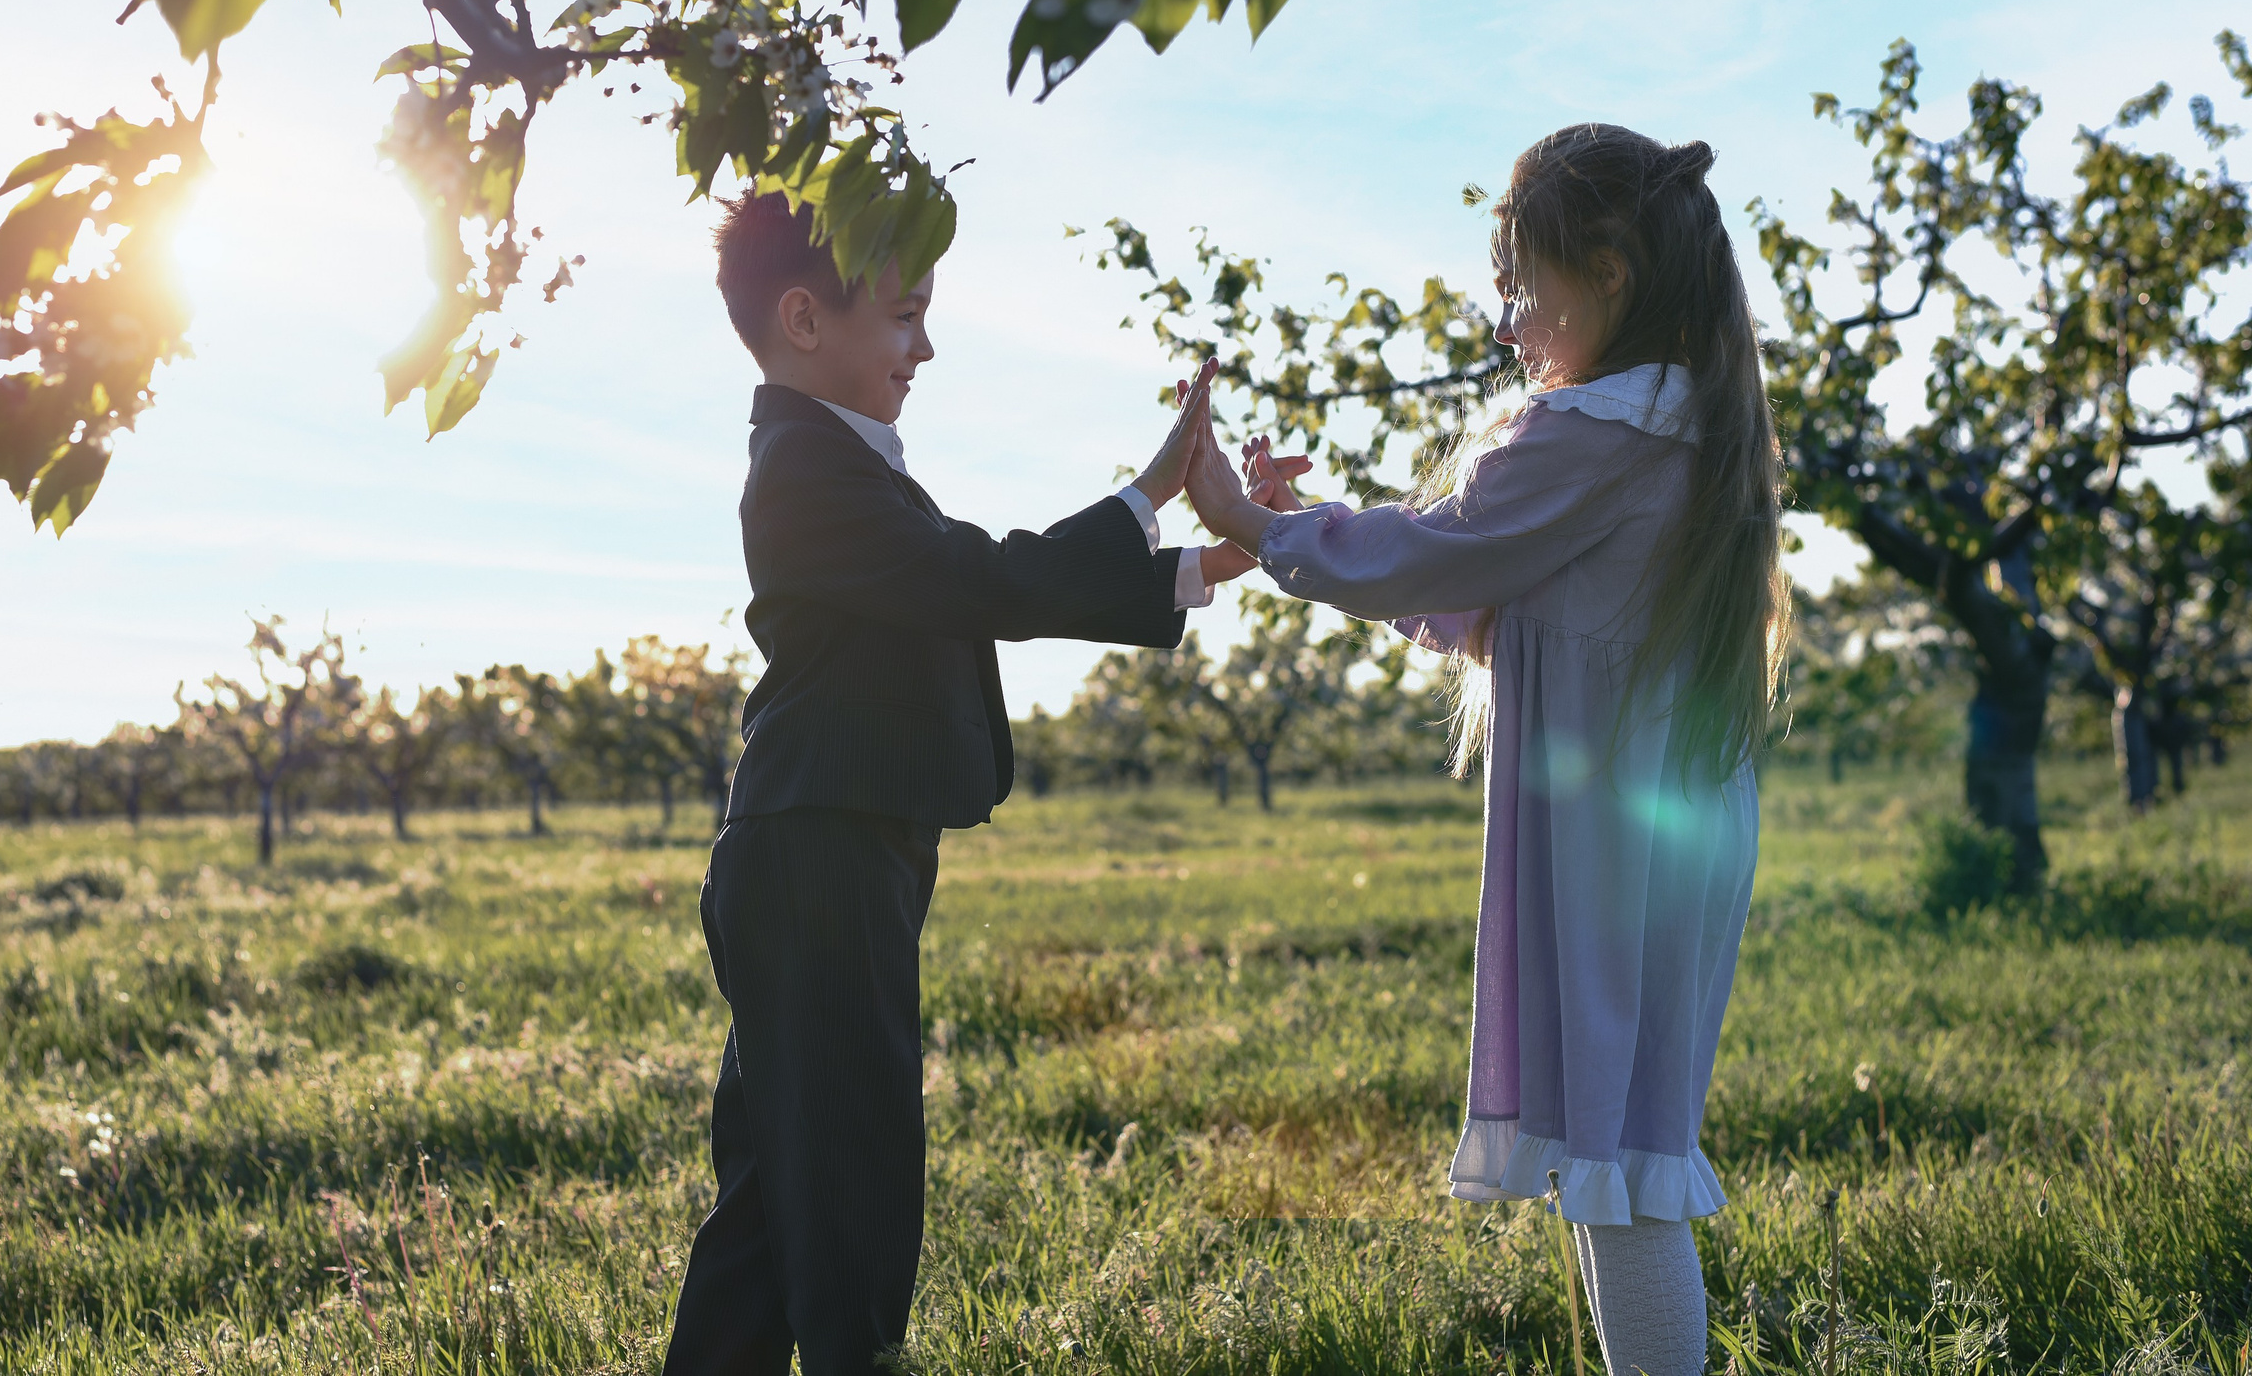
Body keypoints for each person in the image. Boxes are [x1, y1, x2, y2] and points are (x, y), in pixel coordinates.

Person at [1181, 125, 1785, 1376]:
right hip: (1654, 815)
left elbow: (1445, 553)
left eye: (1525, 284)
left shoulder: (1606, 428)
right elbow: (1475, 578)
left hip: (1616, 832)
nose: (1509, 319)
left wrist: (1250, 522)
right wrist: (1302, 530)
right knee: (1608, 1157)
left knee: (1622, 1168)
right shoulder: (1678, 423)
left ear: (1609, 273)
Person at [665, 193, 1252, 1376]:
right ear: (802, 317)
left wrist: (1207, 558)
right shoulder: (803, 469)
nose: (924, 350)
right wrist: (1146, 498)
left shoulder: (833, 459)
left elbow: (960, 586)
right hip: (817, 854)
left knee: (782, 1194)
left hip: (822, 847)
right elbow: (980, 582)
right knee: (852, 1185)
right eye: (905, 317)